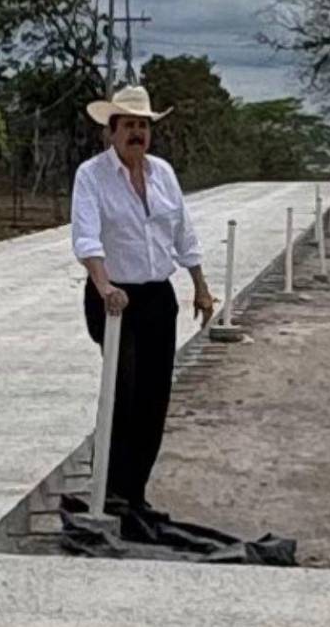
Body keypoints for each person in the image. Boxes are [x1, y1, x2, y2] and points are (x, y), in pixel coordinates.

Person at [71, 85, 215, 510]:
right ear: (111, 132)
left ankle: (134, 492)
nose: (137, 133)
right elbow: (86, 237)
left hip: (157, 298)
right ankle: (108, 489)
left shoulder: (163, 174)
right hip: (114, 299)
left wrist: (201, 287)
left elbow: (184, 234)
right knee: (124, 392)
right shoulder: (92, 175)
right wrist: (103, 285)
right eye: (129, 125)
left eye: (143, 126)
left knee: (154, 399)